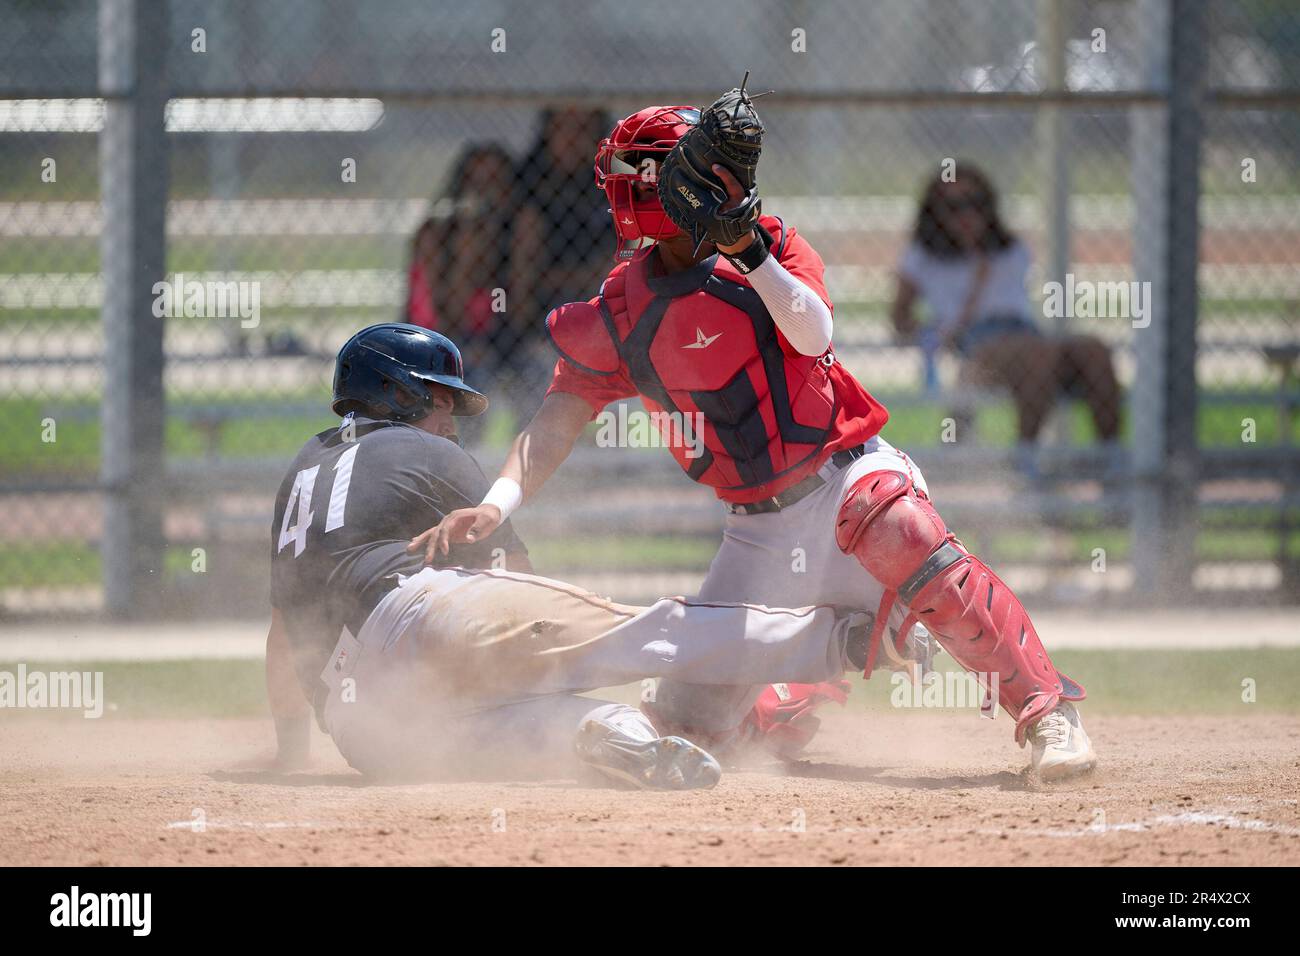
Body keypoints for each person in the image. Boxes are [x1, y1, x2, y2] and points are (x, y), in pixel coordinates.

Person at [413, 93, 1098, 781]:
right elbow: (554, 420)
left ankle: (1049, 715)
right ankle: (838, 653)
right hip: (758, 535)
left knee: (899, 529)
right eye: (677, 168)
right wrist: (497, 505)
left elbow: (815, 335)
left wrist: (749, 252)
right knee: (689, 725)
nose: (687, 179)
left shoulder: (772, 244)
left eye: (666, 168)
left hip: (844, 482)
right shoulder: (620, 308)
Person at [265, 322, 870, 787]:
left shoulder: (302, 471)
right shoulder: (420, 449)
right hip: (414, 619)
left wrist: (292, 750)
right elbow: (512, 570)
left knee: (528, 730)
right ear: (396, 393)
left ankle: (616, 735)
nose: (450, 420)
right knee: (639, 634)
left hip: (366, 729)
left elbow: (285, 631)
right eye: (440, 399)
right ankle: (844, 643)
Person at [890, 164, 1123, 477]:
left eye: (977, 203)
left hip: (1024, 332)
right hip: (975, 340)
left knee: (1094, 350)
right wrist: (935, 332)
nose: (967, 215)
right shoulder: (924, 256)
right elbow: (900, 318)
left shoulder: (1008, 249)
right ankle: (1024, 463)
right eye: (954, 207)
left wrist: (978, 253)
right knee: (1038, 354)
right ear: (936, 212)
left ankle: (1110, 466)